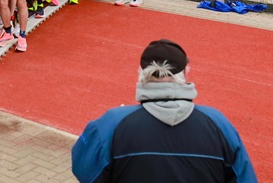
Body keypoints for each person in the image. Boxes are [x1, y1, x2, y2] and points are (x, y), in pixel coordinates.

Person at [72, 39, 257, 183]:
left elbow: (85, 170)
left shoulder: (111, 124)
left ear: (141, 74)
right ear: (185, 73)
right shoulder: (218, 124)